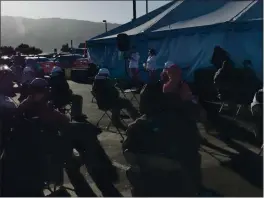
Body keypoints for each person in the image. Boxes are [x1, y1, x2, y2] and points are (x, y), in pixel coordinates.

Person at [123, 86, 201, 196]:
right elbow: (193, 151)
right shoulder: (183, 123)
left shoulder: (136, 127)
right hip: (179, 184)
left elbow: (128, 154)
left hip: (147, 185)